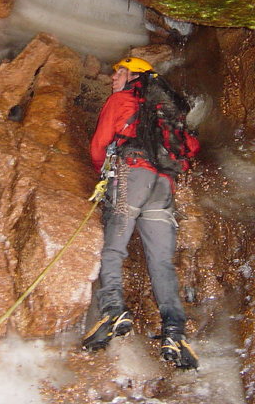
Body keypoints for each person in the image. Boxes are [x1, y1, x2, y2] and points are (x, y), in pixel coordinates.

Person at [81, 56, 200, 370]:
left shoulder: (121, 100)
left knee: (114, 247)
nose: (112, 78)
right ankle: (175, 333)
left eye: (118, 72)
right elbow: (188, 150)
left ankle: (112, 312)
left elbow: (99, 145)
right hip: (163, 187)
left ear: (135, 76)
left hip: (131, 175)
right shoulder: (168, 113)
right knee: (161, 261)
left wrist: (103, 173)